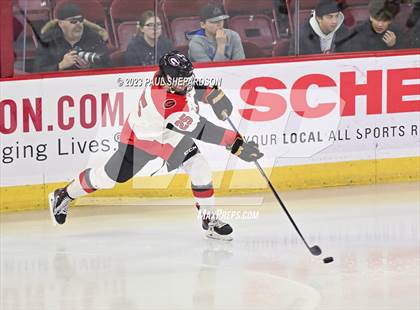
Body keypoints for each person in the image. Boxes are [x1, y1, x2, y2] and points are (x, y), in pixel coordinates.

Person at [48, 51, 263, 241]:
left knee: (199, 166)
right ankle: (64, 195)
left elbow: (190, 88)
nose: (185, 82)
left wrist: (212, 93)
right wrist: (236, 143)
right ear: (169, 79)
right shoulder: (166, 104)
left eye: (186, 77)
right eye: (180, 79)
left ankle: (210, 220)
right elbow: (203, 130)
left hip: (171, 137)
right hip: (141, 140)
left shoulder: (168, 78)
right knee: (108, 178)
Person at [34, 3, 110, 72]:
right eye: (73, 21)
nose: (78, 24)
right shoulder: (48, 40)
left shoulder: (94, 38)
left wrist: (90, 67)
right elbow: (38, 70)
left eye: (80, 20)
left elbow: (108, 66)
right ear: (61, 23)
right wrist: (60, 65)